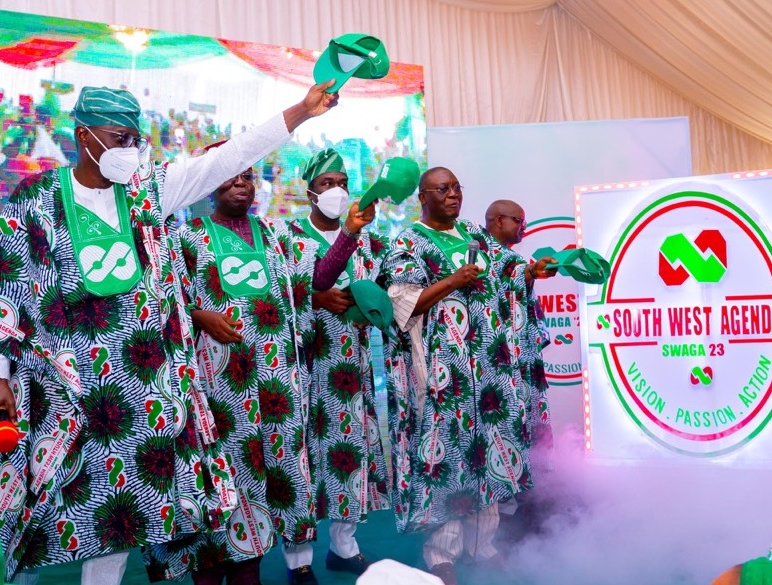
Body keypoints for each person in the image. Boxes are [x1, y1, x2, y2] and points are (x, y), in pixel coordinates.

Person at [0, 81, 338, 584]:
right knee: (40, 504)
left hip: (146, 390)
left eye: (136, 139)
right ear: (84, 136)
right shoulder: (36, 200)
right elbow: (1, 288)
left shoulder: (149, 191)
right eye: (119, 138)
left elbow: (231, 155)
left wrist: (301, 111)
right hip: (65, 391)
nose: (129, 149)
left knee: (127, 512)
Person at [143, 144, 377, 584]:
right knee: (221, 480)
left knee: (273, 479)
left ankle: (256, 568)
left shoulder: (277, 235)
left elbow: (318, 279)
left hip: (276, 385)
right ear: (208, 184)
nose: (240, 183)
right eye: (229, 176)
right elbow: (158, 299)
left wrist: (348, 233)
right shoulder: (184, 238)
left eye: (247, 176)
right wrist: (199, 316)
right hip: (217, 388)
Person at [382, 167, 537, 585]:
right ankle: (442, 553)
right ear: (423, 196)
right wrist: (453, 281)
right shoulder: (407, 243)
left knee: (487, 450)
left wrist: (532, 271)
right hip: (441, 371)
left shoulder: (473, 234)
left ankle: (482, 545)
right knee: (447, 455)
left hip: (486, 369)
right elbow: (405, 305)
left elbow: (508, 270)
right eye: (443, 189)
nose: (453, 195)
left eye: (456, 188)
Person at [283, 149, 391, 585]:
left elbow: (383, 291)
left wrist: (372, 308)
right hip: (304, 366)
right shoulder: (288, 237)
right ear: (309, 191)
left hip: (351, 368)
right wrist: (315, 297)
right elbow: (278, 292)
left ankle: (343, 548)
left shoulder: (369, 241)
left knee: (350, 452)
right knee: (302, 458)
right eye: (327, 183)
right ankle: (298, 559)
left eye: (343, 182)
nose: (337, 190)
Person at [483, 200, 557, 541]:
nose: (523, 228)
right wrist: (530, 272)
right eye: (519, 221)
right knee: (504, 433)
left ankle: (529, 502)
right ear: (498, 221)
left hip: (524, 362)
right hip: (498, 367)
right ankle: (505, 513)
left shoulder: (511, 258)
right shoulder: (481, 257)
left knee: (529, 432)